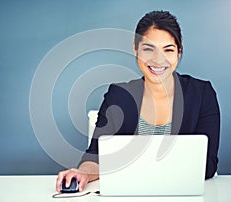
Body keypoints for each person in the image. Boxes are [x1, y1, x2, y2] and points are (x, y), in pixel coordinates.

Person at [56, 10, 220, 192]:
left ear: (179, 52)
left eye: (168, 49)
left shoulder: (202, 94)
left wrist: (136, 167)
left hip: (183, 192)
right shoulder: (118, 95)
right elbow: (95, 156)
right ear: (135, 49)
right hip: (131, 192)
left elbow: (208, 165)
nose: (158, 60)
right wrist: (83, 172)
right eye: (148, 49)